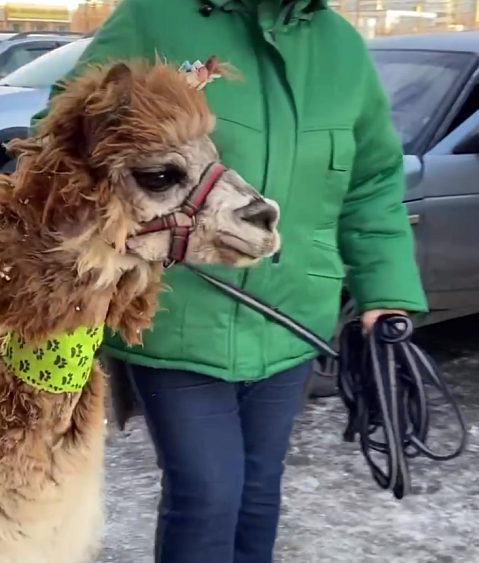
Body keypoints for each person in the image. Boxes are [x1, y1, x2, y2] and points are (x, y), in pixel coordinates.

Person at [34, 1, 427, 562]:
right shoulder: (154, 18)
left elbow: (371, 183)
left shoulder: (339, 46)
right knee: (208, 493)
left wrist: (385, 292)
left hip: (291, 315)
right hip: (178, 312)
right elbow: (60, 140)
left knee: (259, 490)